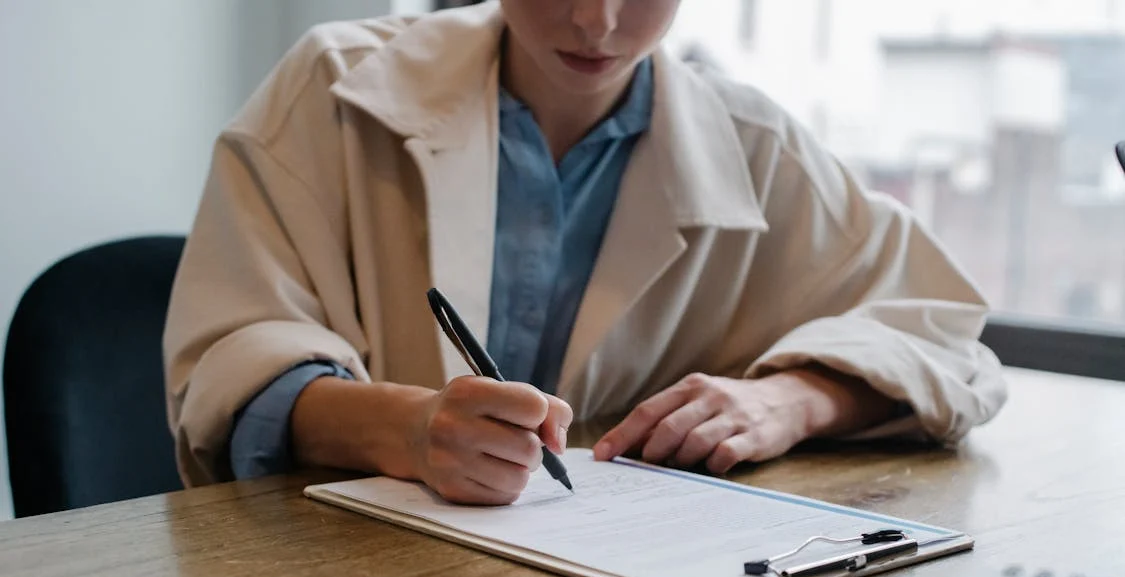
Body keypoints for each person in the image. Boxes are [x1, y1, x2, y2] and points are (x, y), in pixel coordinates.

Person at [163, 0, 1007, 506]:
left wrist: (790, 400)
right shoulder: (332, 87)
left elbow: (947, 340)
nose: (597, 22)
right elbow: (231, 362)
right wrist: (408, 431)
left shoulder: (757, 149)